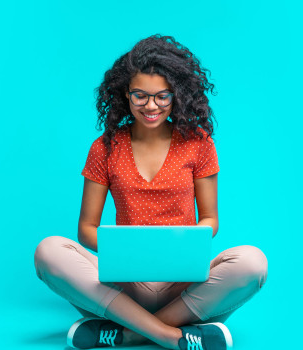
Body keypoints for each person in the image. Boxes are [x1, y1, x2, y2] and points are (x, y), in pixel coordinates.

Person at [34, 35, 268, 350]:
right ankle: (174, 336)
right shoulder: (105, 147)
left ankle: (126, 333)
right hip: (124, 285)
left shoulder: (198, 143)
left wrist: (187, 241)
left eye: (162, 96)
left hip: (182, 286)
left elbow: (210, 219)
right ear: (124, 95)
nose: (151, 105)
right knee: (48, 252)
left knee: (253, 263)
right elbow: (86, 229)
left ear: (177, 96)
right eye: (140, 95)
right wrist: (125, 245)